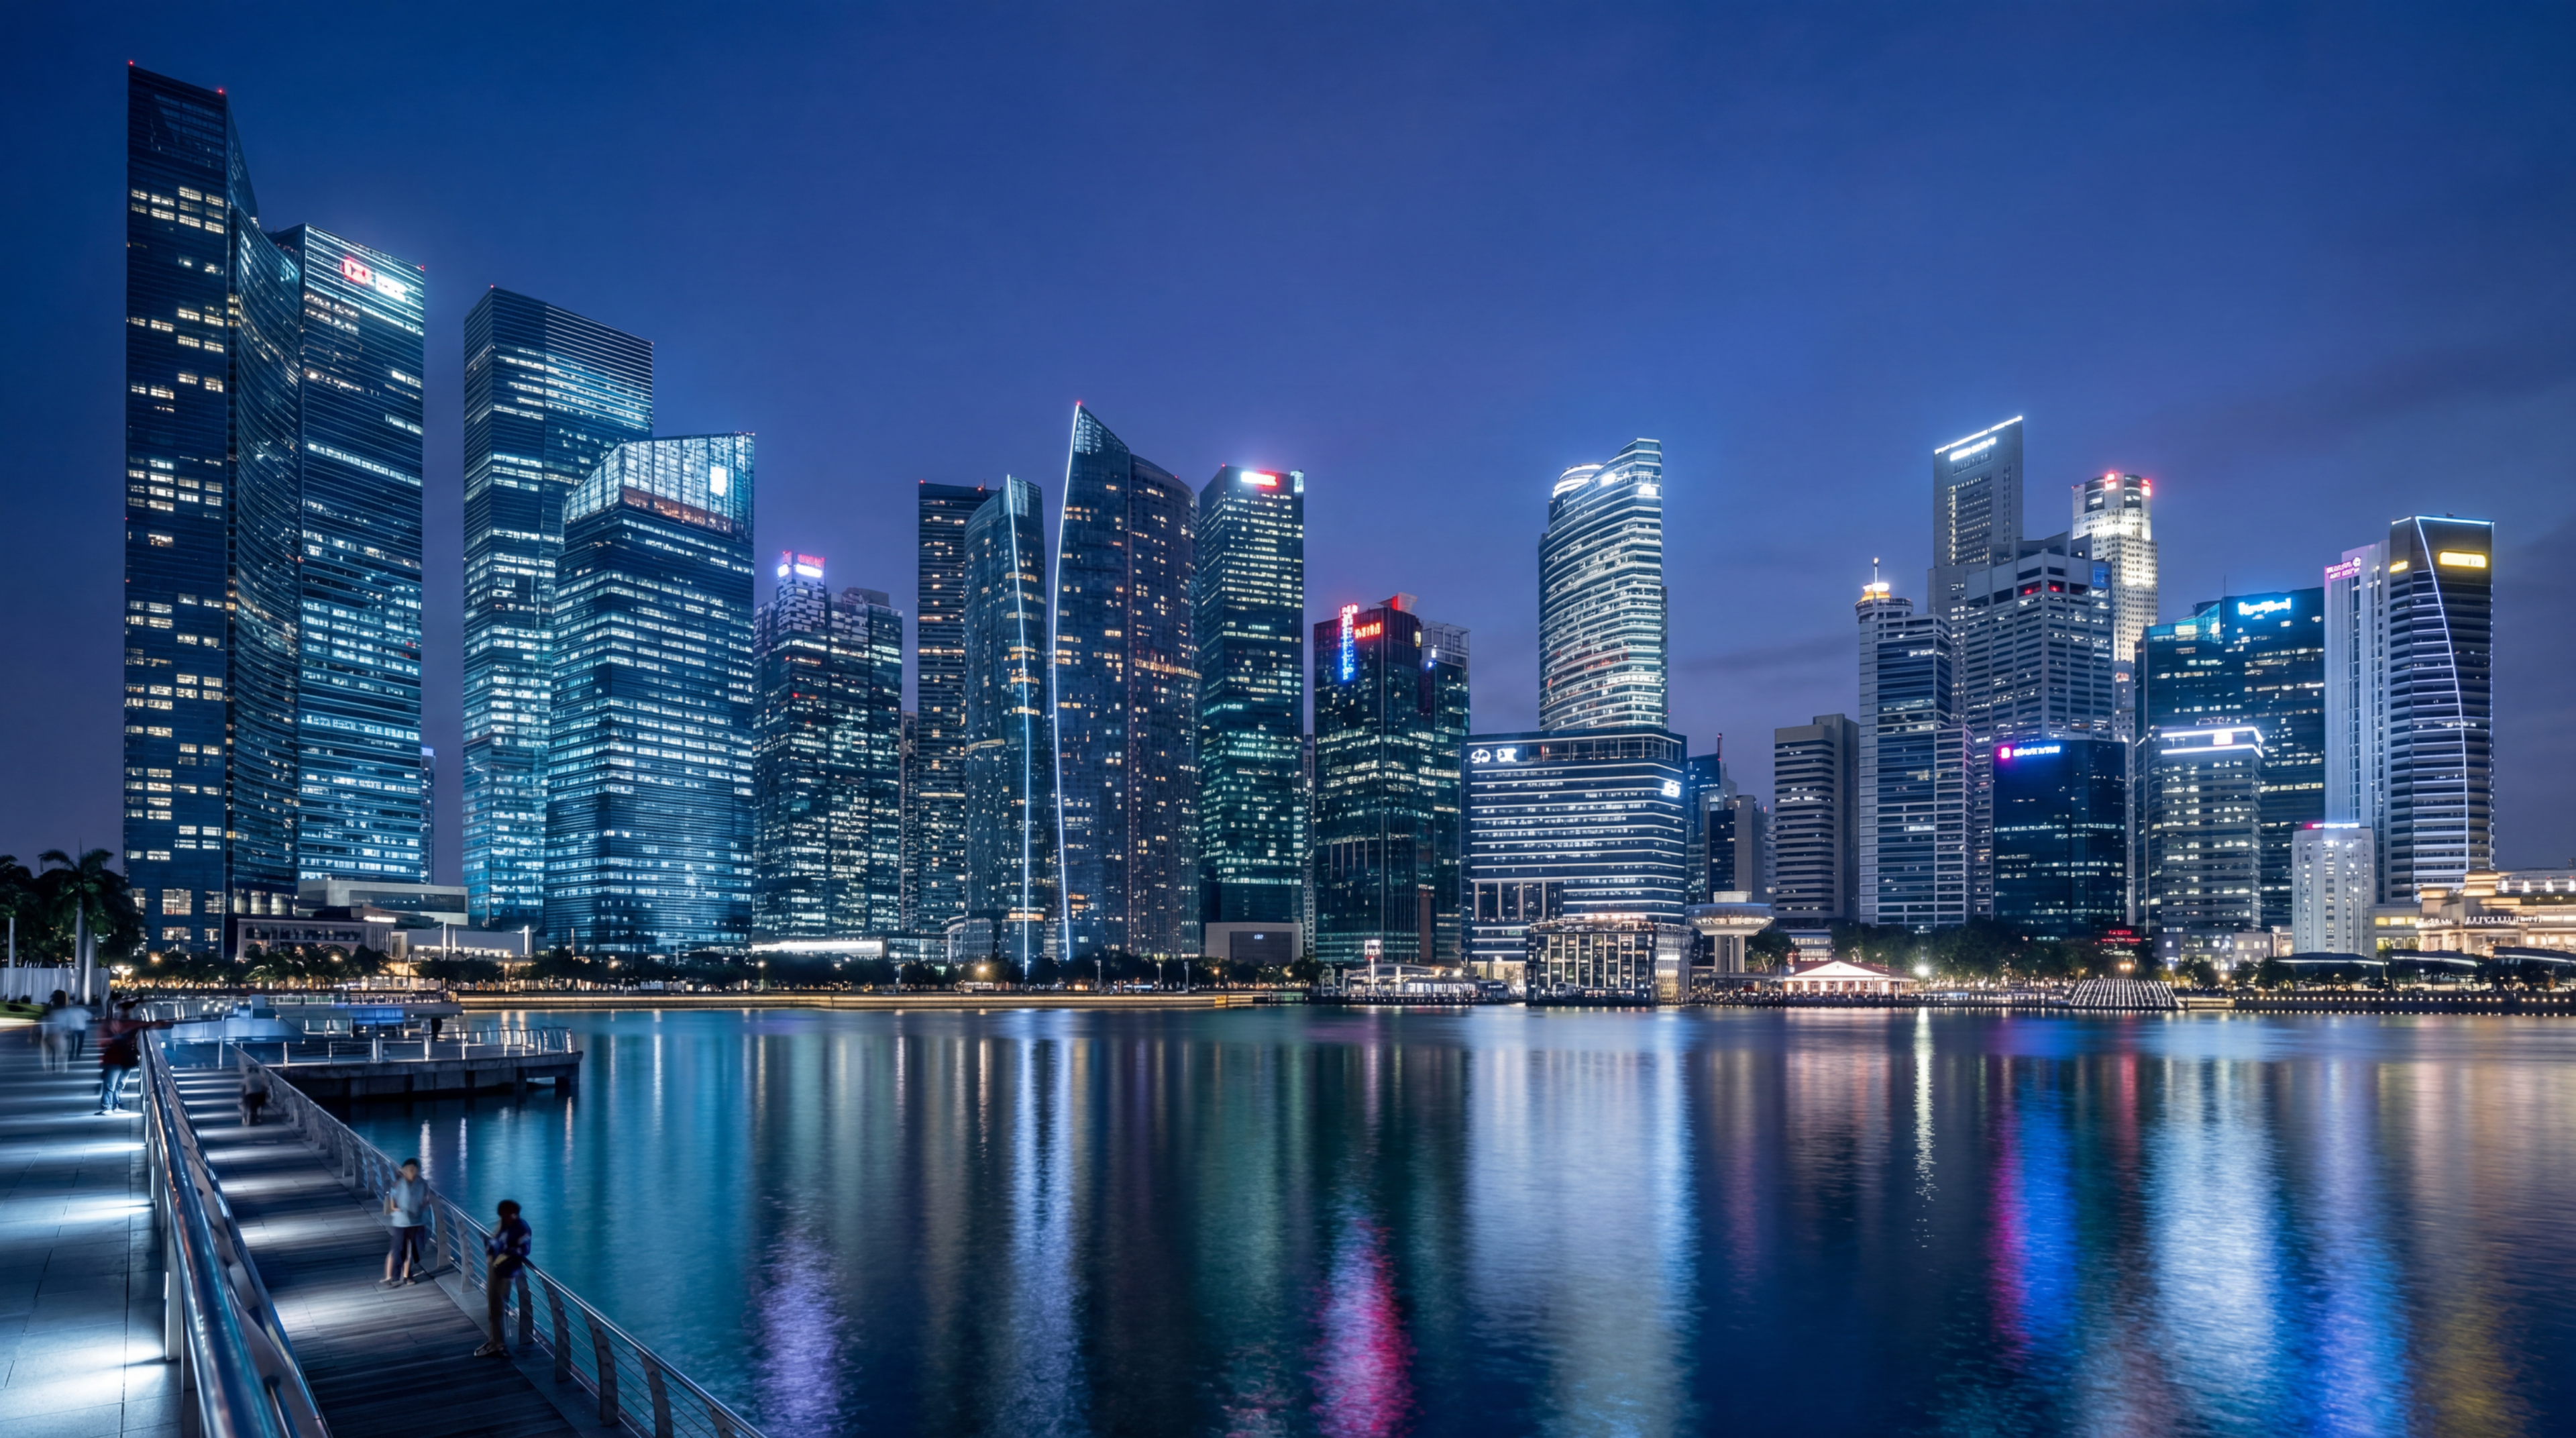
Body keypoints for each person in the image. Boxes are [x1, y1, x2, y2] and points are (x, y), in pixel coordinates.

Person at [474, 1199, 531, 1357]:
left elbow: (525, 1250)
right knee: (493, 1305)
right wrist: (490, 1243)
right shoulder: (504, 1224)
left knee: (499, 1307)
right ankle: (495, 1341)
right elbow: (497, 1241)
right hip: (495, 1267)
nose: (502, 1219)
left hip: (507, 1271)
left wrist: (505, 1248)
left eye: (504, 1215)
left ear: (512, 1214)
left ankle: (499, 1344)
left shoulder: (522, 1228)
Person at [93, 1000, 168, 1115]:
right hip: (118, 1057)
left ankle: (113, 1104)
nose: (125, 1014)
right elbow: (102, 1041)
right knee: (113, 1083)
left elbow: (103, 1041)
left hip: (122, 1057)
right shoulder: (122, 1024)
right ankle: (108, 1106)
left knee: (117, 1083)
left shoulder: (125, 1023)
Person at [382, 1159, 430, 1288]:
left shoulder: (422, 1184)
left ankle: (407, 1275)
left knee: (413, 1250)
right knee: (397, 1250)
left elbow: (426, 1200)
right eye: (408, 1169)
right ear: (404, 1171)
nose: (411, 1172)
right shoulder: (398, 1185)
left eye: (414, 1169)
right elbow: (392, 1204)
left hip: (416, 1222)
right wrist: (402, 1209)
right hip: (401, 1223)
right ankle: (391, 1276)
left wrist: (421, 1206)